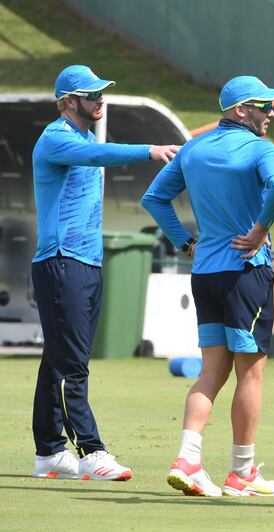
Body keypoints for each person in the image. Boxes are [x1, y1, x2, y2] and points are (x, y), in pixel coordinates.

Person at [141, 75, 274, 497]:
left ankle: (187, 460)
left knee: (211, 371)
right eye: (265, 105)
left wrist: (184, 241)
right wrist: (262, 228)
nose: (272, 112)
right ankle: (241, 472)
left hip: (206, 273)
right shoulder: (263, 149)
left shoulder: (194, 147)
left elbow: (153, 198)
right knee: (251, 375)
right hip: (247, 273)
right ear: (241, 110)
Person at [30, 65, 179, 481]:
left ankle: (49, 452)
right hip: (62, 261)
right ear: (68, 102)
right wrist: (148, 149)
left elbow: (96, 151)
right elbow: (98, 155)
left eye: (101, 93)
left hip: (86, 262)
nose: (100, 100)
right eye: (91, 94)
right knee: (71, 363)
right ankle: (91, 451)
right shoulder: (57, 137)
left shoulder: (80, 136)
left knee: (58, 360)